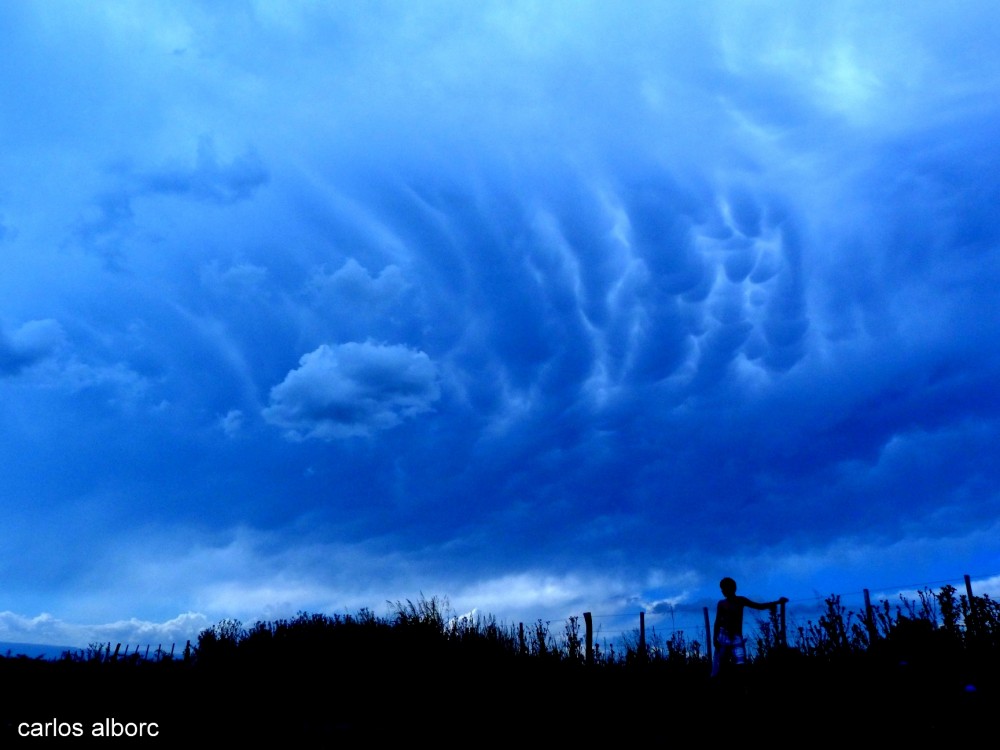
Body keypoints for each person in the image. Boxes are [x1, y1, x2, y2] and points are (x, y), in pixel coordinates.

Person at [711, 577, 788, 677]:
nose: (723, 591)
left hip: (736, 636)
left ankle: (742, 685)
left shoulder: (740, 601)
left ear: (731, 588)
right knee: (721, 664)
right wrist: (715, 639)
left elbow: (759, 606)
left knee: (740, 663)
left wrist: (776, 602)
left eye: (724, 588)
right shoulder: (721, 604)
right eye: (722, 589)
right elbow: (717, 622)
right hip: (723, 637)